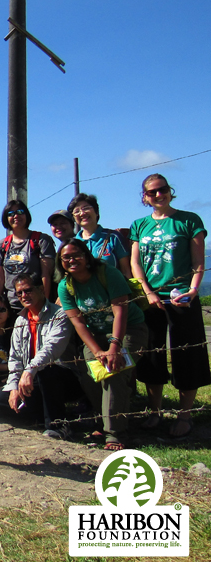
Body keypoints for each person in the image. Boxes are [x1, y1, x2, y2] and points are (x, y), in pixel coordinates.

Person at [130, 173, 209, 438]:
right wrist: (147, 291)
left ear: (170, 191)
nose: (157, 195)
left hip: (182, 297)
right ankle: (155, 412)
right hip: (151, 298)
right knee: (152, 355)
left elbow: (199, 262)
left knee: (187, 354)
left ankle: (185, 416)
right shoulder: (139, 225)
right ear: (145, 197)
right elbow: (135, 263)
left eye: (162, 190)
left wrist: (193, 291)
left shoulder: (190, 220)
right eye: (151, 192)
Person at [57, 239, 148, 451]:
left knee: (113, 371)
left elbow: (121, 310)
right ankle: (105, 422)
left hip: (129, 329)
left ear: (86, 256)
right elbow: (78, 322)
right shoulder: (65, 286)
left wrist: (114, 347)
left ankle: (115, 433)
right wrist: (97, 351)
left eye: (76, 255)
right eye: (66, 257)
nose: (72, 260)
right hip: (95, 335)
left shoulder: (108, 273)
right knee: (91, 374)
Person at [0, 275, 82, 439]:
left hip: (63, 378)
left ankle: (57, 425)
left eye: (28, 290)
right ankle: (40, 416)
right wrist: (13, 388)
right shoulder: (20, 320)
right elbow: (15, 358)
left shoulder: (60, 315)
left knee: (47, 371)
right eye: (19, 293)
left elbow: (51, 349)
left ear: (41, 289)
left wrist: (29, 371)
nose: (23, 296)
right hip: (30, 381)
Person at [0, 201, 56, 313]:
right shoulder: (1, 245)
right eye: (11, 213)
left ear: (27, 215)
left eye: (20, 212)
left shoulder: (41, 240)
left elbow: (46, 274)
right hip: (10, 307)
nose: (16, 216)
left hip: (35, 305)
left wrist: (45, 304)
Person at [68, 193, 132, 277]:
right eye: (77, 211)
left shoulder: (113, 237)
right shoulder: (72, 244)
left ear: (96, 212)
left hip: (114, 289)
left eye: (86, 208)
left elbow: (126, 270)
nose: (82, 213)